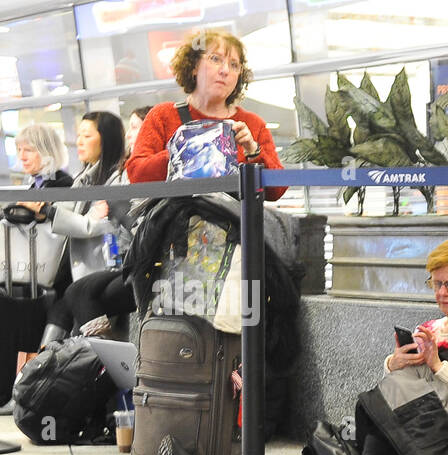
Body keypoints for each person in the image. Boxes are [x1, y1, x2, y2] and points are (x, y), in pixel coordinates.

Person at [157, 238, 448, 455]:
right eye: (436, 283)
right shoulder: (430, 326)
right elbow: (396, 389)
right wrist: (393, 364)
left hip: (445, 441)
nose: (442, 293)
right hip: (409, 430)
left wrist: (438, 367)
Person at [125, 28, 286, 201]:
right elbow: (137, 175)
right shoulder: (163, 115)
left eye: (234, 65)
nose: (225, 70)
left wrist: (253, 151)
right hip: (178, 225)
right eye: (215, 59)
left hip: (237, 225)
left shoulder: (252, 124)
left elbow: (277, 191)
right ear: (193, 66)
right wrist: (183, 151)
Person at [39, 112, 136, 338]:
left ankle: (101, 363)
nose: (79, 141)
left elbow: (100, 225)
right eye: (78, 135)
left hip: (106, 270)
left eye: (87, 135)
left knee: (83, 333)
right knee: (56, 325)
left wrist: (49, 212)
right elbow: (77, 218)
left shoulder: (119, 179)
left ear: (107, 139)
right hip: (77, 274)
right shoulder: (83, 177)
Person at [0, 124, 74, 415]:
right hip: (32, 274)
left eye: (28, 149)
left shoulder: (62, 186)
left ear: (45, 150)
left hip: (51, 277)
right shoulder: (38, 185)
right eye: (19, 150)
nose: (22, 156)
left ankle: (15, 391)